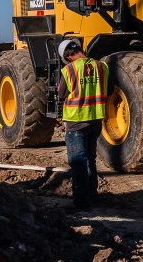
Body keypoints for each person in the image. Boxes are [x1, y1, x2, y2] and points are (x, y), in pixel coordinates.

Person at [56, 38, 111, 209]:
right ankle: (92, 196)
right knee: (90, 159)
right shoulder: (102, 66)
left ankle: (81, 201)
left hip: (76, 121)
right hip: (95, 120)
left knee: (78, 161)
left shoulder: (69, 69)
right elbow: (108, 90)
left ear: (68, 57)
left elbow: (61, 94)